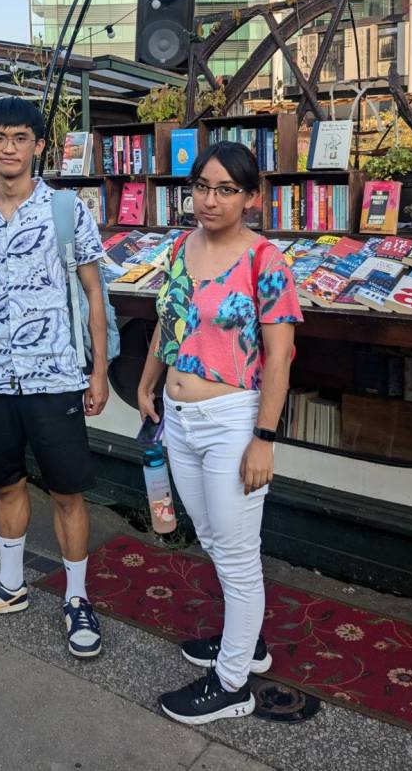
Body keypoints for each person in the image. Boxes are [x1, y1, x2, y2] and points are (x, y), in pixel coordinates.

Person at [137, 141, 302, 725]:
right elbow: (169, 322)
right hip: (180, 418)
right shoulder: (181, 247)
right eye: (202, 187)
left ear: (251, 197)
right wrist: (148, 381)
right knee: (210, 535)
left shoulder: (265, 261)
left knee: (235, 553)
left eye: (226, 190)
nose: (210, 200)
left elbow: (279, 360)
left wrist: (264, 438)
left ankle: (233, 684)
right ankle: (246, 643)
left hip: (233, 420)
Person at [0, 96, 109, 658]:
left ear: (39, 145)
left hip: (56, 376)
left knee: (67, 492)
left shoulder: (66, 210)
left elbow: (93, 293)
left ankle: (77, 598)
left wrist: (99, 371)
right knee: (5, 484)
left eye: (20, 138)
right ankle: (10, 586)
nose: (9, 148)